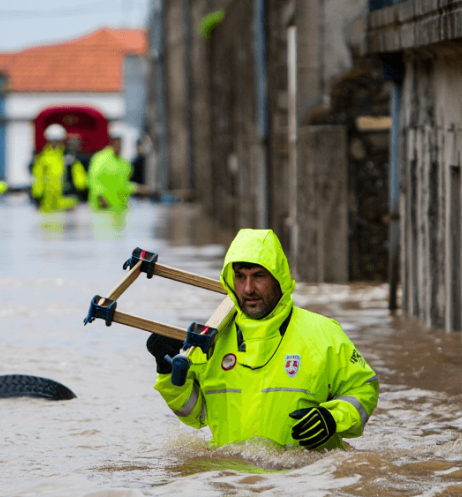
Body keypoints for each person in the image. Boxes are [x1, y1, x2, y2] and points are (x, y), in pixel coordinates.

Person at [146, 229, 379, 450]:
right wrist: (167, 370)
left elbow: (363, 389)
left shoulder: (323, 333)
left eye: (258, 276)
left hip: (302, 483)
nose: (248, 288)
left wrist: (332, 418)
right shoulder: (212, 339)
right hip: (232, 483)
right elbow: (196, 414)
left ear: (278, 278)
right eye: (240, 277)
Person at [31, 124, 86, 213]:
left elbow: (38, 183)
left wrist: (37, 197)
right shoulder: (70, 159)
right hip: (61, 204)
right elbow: (81, 183)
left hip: (60, 205)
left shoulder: (42, 159)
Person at [87, 136, 135, 216]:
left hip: (120, 209)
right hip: (102, 209)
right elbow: (93, 179)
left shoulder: (125, 163)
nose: (119, 147)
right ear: (111, 143)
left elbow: (124, 184)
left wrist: (136, 189)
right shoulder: (100, 159)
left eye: (120, 144)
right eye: (116, 143)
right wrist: (100, 197)